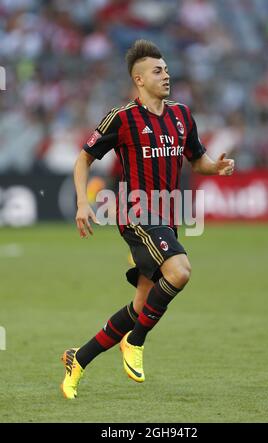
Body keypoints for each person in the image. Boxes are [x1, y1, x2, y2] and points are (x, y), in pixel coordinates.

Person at [61, 39, 234, 399]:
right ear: (139, 79)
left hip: (169, 216)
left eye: (167, 68)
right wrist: (82, 202)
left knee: (141, 305)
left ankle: (78, 358)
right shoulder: (122, 117)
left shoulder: (183, 115)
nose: (166, 74)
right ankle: (135, 341)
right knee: (180, 270)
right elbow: (83, 158)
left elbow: (196, 158)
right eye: (158, 70)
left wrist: (214, 167)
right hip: (136, 212)